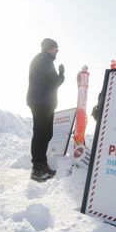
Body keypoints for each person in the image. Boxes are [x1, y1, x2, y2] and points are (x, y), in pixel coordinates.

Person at [26, 38, 65, 181]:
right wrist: (61, 75)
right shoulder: (43, 58)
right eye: (56, 47)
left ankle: (43, 164)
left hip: (46, 102)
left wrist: (59, 78)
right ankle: (37, 168)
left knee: (46, 134)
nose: (57, 50)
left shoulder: (47, 61)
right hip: (40, 102)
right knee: (41, 134)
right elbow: (56, 79)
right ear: (49, 48)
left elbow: (54, 84)